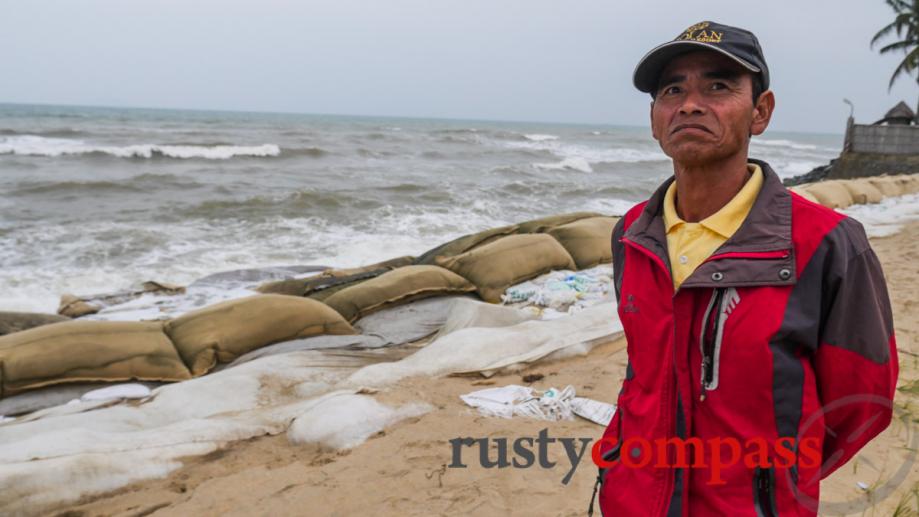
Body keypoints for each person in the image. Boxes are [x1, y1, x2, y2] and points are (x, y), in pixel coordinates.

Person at [590, 21, 898, 516]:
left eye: (718, 85)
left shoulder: (828, 244)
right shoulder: (633, 235)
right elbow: (642, 373)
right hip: (634, 499)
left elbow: (862, 402)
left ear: (761, 112)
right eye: (673, 90)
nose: (690, 104)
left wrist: (770, 480)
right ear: (654, 119)